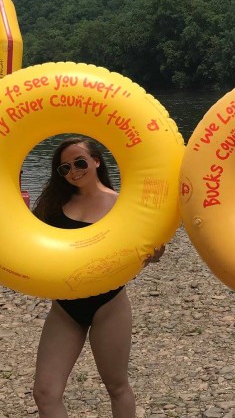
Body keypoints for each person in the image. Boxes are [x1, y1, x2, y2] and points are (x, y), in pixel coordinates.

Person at [31, 136, 163, 418]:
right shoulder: (53, 206)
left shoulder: (122, 205)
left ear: (96, 161)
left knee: (116, 386)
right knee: (45, 392)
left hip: (109, 304)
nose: (73, 171)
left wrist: (153, 253)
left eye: (79, 162)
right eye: (64, 168)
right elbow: (28, 244)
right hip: (66, 306)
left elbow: (144, 245)